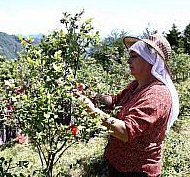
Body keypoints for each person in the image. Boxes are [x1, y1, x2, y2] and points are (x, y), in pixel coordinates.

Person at [75, 34, 179, 177]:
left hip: (137, 170)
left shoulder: (156, 95)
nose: (128, 60)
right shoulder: (137, 85)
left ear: (151, 60)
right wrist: (89, 94)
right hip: (119, 166)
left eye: (134, 56)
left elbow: (125, 132)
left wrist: (91, 109)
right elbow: (114, 101)